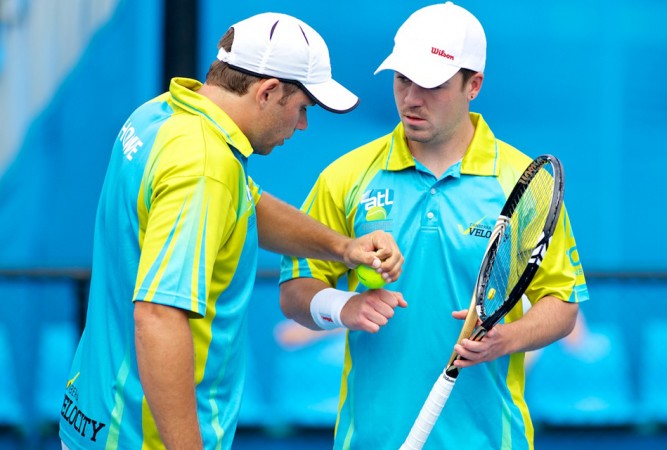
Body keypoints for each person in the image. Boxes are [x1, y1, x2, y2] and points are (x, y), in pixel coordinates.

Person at [58, 12, 403, 450]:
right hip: (141, 437)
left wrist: (342, 247)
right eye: (302, 109)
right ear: (268, 92)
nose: (302, 126)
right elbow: (159, 316)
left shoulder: (160, 115)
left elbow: (246, 205)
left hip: (95, 414)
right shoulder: (205, 168)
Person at [279, 2, 589, 449]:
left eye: (432, 84)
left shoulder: (521, 183)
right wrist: (344, 306)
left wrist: (506, 338)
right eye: (402, 79)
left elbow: (561, 302)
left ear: (473, 85)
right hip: (370, 439)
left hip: (489, 438)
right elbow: (294, 292)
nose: (411, 98)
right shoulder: (345, 176)